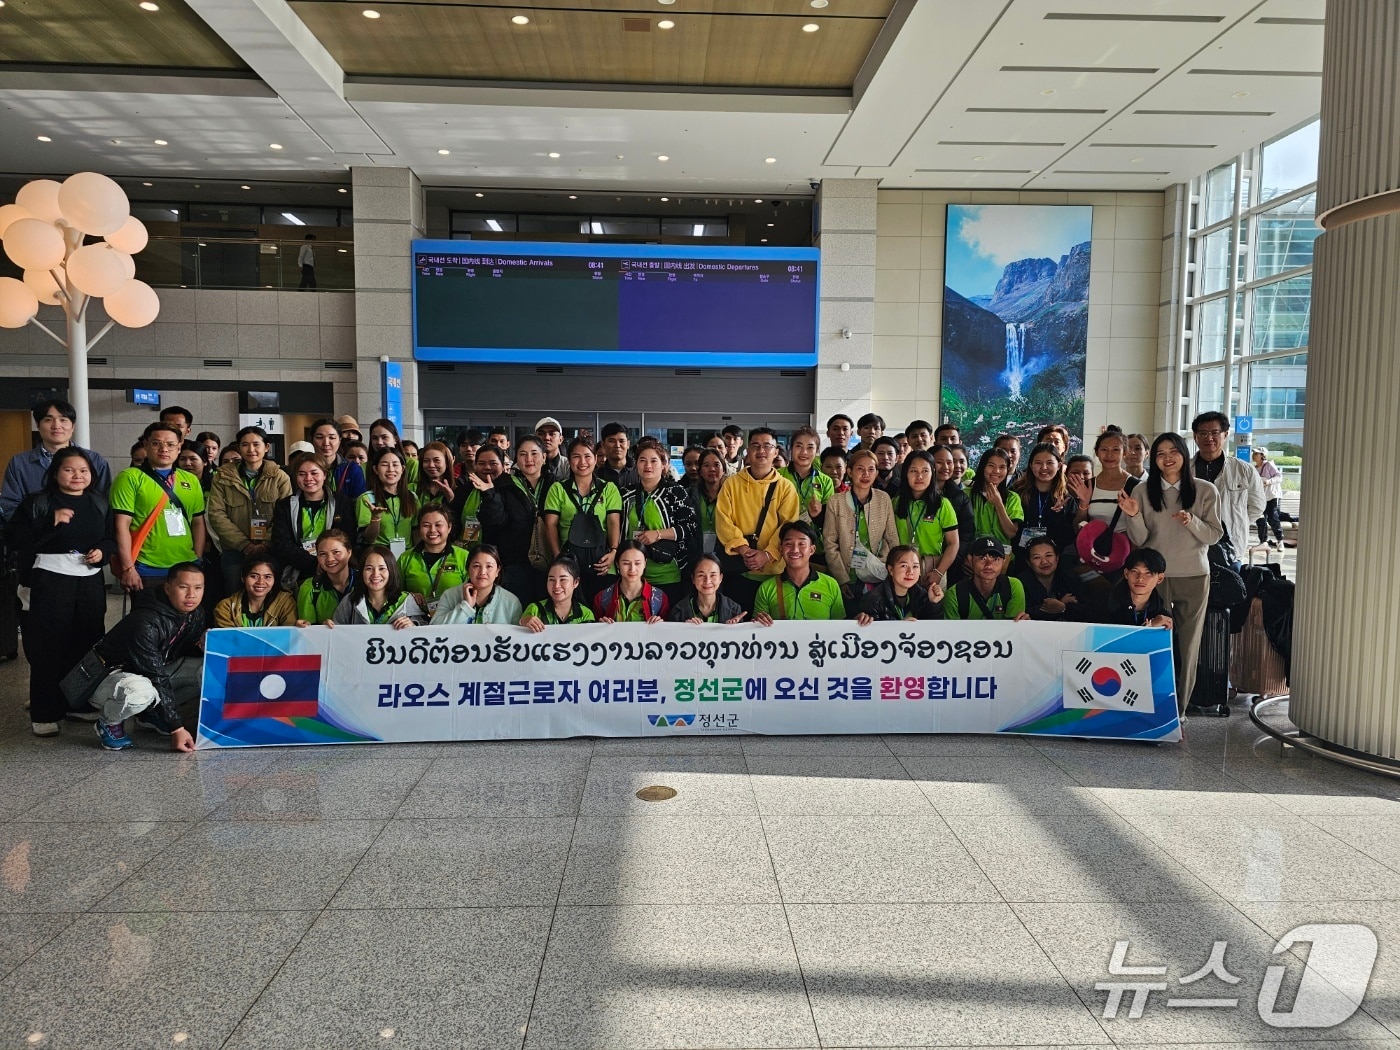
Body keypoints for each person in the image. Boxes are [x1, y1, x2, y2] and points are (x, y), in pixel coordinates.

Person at [5, 447, 114, 736]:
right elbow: (14, 538)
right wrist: (48, 521)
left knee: (87, 640)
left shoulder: (98, 501)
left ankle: (77, 702)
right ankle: (45, 711)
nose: (77, 476)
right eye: (69, 469)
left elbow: (110, 537)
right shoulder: (38, 502)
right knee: (48, 645)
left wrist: (102, 552)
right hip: (50, 578)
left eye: (83, 470)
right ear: (55, 473)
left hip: (89, 579)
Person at [1119, 432, 1223, 714]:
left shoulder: (1204, 490)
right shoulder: (1142, 490)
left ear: (1183, 454)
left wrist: (1192, 522)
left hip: (1193, 576)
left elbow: (1214, 535)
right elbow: (1140, 540)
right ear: (1154, 459)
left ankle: (1178, 710)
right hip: (1155, 579)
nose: (1167, 458)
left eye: (1173, 451)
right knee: (1154, 638)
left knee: (1188, 645)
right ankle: (1149, 704)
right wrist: (1132, 514)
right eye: (1161, 453)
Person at [89, 562, 206, 752]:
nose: (191, 595)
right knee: (141, 694)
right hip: (108, 677)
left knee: (207, 671)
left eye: (198, 588)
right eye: (183, 587)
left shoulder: (194, 613)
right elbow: (155, 675)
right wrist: (177, 727)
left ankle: (149, 714)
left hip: (148, 672)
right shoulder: (144, 621)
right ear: (168, 588)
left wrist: (201, 644)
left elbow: (177, 653)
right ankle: (109, 722)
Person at [111, 422, 207, 598]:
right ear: (146, 445)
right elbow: (121, 525)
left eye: (170, 444)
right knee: (148, 620)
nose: (164, 449)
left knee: (186, 622)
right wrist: (128, 568)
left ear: (179, 448)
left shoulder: (190, 480)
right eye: (156, 443)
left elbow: (198, 523)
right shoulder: (130, 477)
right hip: (146, 567)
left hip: (185, 565)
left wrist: (197, 560)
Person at [714, 427, 800, 610]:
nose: (761, 451)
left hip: (775, 572)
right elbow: (723, 521)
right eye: (755, 445)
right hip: (739, 570)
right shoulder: (731, 484)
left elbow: (788, 526)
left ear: (776, 452)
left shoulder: (786, 487)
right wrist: (745, 551)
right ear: (748, 451)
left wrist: (767, 555)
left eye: (767, 446)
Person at [207, 425, 291, 596]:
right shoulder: (222, 476)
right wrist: (244, 544)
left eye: (256, 444)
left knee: (270, 596)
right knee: (234, 595)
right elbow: (216, 514)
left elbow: (286, 514)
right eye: (245, 445)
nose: (251, 449)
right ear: (239, 447)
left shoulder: (280, 477)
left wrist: (265, 543)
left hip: (270, 550)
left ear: (266, 447)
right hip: (234, 551)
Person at [542, 437, 621, 600]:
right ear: (569, 460)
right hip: (569, 561)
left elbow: (613, 522)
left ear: (596, 459)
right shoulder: (558, 489)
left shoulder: (609, 489)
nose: (582, 462)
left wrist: (614, 551)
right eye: (576, 456)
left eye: (587, 456)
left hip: (602, 561)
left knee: (604, 612)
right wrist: (559, 558)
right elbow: (550, 525)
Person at [479, 434, 553, 604]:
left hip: (549, 560)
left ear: (544, 456)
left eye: (534, 453)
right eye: (522, 454)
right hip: (515, 561)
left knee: (545, 613)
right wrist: (490, 495)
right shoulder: (503, 484)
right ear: (515, 458)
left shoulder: (555, 484)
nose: (529, 459)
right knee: (517, 612)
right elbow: (495, 523)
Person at [822, 448, 900, 606]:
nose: (866, 474)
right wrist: (842, 579)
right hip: (847, 573)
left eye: (871, 469)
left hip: (878, 572)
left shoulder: (883, 499)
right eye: (860, 469)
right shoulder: (835, 501)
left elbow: (892, 537)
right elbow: (830, 543)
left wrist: (892, 571)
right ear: (849, 472)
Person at [622, 439, 697, 600]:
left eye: (654, 460)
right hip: (633, 574)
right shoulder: (626, 494)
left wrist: (658, 534)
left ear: (664, 465)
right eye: (642, 460)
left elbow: (690, 527)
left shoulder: (675, 492)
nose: (648, 465)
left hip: (668, 573)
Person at [1191, 411, 1264, 560]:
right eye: (1203, 433)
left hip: (1231, 547)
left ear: (1225, 434)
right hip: (1192, 547)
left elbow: (1257, 506)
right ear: (1195, 436)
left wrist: (1236, 523)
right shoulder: (1184, 470)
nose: (1209, 438)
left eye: (1215, 432)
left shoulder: (1244, 470)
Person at [892, 449, 961, 594]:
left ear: (932, 473)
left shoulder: (942, 504)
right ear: (905, 473)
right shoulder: (895, 503)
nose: (919, 476)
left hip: (933, 571)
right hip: (902, 571)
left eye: (925, 471)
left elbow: (953, 543)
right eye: (913, 471)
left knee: (932, 611)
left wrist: (939, 572)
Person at [272, 455, 343, 591]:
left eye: (314, 473)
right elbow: (281, 543)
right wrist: (314, 564)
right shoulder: (285, 506)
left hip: (334, 566)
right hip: (297, 568)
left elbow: (346, 537)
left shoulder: (340, 502)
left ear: (324, 475)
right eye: (302, 474)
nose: (308, 479)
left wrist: (326, 561)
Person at [753, 521, 845, 623]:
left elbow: (840, 627)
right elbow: (758, 630)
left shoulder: (830, 584)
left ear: (812, 550)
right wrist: (757, 621)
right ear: (780, 549)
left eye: (802, 544)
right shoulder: (766, 588)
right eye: (788, 544)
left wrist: (861, 623)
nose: (795, 550)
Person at [398, 505, 470, 615]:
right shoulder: (406, 558)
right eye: (426, 525)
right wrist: (408, 595)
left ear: (449, 527)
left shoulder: (464, 557)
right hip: (415, 622)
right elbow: (393, 591)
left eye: (438, 525)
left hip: (454, 619)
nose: (432, 530)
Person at [330, 546, 426, 628]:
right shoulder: (349, 602)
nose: (375, 574)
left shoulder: (407, 600)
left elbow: (425, 631)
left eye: (382, 568)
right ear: (361, 572)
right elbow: (337, 634)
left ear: (391, 571)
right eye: (369, 569)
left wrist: (413, 626)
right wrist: (328, 628)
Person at [1011, 442, 1077, 559]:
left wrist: (1059, 515)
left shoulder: (1066, 497)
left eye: (1050, 463)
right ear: (1030, 466)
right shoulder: (1016, 492)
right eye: (1038, 463)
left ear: (1059, 466)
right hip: (1020, 557)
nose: (1044, 468)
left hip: (1053, 561)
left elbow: (1069, 538)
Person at [429, 543, 522, 625]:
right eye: (476, 566)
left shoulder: (511, 602)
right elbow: (435, 628)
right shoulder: (449, 595)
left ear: (497, 571)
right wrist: (466, 606)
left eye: (489, 566)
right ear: (468, 569)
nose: (482, 572)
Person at [944, 537, 1029, 621]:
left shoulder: (1012, 587)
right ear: (970, 559)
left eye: (995, 559)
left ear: (1003, 562)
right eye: (982, 558)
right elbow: (952, 633)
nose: (989, 565)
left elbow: (1013, 629)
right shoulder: (955, 594)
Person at [1069, 430, 1134, 535]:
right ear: (1097, 452)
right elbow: (1078, 529)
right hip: (1094, 549)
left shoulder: (1135, 486)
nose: (1109, 455)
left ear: (1125, 453)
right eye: (1104, 449)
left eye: (1115, 450)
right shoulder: (1089, 485)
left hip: (1126, 548)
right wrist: (1083, 504)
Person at [856, 545, 942, 624]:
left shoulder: (922, 595)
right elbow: (871, 636)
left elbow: (933, 632)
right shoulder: (873, 600)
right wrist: (897, 628)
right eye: (904, 566)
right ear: (891, 570)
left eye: (915, 566)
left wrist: (933, 603)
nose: (910, 572)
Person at [357, 447, 418, 555]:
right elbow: (369, 538)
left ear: (402, 469)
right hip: (379, 555)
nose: (390, 469)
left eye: (395, 464)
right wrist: (375, 518)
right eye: (384, 465)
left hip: (407, 555)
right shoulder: (367, 499)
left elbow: (416, 531)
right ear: (375, 469)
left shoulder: (412, 498)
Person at [593, 540, 669, 623]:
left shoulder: (660, 598)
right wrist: (600, 625)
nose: (632, 569)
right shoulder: (602, 599)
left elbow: (666, 632)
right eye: (626, 563)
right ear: (617, 564)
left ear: (645, 563)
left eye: (637, 563)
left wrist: (660, 625)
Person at [1098, 547, 1174, 629]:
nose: (1140, 578)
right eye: (1135, 571)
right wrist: (1150, 628)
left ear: (1160, 578)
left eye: (1148, 573)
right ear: (1126, 574)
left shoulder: (1163, 618)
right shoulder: (1102, 605)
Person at [214, 556, 297, 628]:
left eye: (267, 577)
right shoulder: (225, 608)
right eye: (254, 576)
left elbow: (289, 637)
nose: (261, 582)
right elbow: (228, 640)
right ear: (243, 577)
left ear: (275, 580)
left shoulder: (285, 603)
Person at [967, 447, 1023, 553]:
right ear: (983, 467)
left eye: (1002, 467)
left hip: (1001, 557)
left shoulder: (1012, 497)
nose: (996, 471)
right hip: (971, 555)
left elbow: (1011, 533)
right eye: (991, 466)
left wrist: (999, 504)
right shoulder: (966, 494)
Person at [295, 529, 356, 625]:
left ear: (349, 552)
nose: (330, 559)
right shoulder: (311, 587)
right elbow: (308, 632)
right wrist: (321, 629)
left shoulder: (365, 582)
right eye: (323, 554)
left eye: (336, 552)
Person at [1015, 536, 1082, 621]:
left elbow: (1086, 611)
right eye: (1037, 557)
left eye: (1049, 555)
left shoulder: (1070, 578)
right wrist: (1060, 604)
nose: (1044, 562)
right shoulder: (1019, 583)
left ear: (1057, 558)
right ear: (1029, 562)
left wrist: (1063, 607)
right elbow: (1025, 613)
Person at [779, 425, 834, 529]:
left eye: (810, 447)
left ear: (817, 451)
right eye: (799, 446)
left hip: (815, 541)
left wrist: (817, 515)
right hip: (782, 539)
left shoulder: (825, 481)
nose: (804, 452)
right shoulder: (778, 476)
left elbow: (830, 523)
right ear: (791, 448)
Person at [520, 555, 596, 629]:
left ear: (576, 582)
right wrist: (523, 622)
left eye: (563, 579)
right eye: (551, 580)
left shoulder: (585, 613)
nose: (556, 586)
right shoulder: (535, 609)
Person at [668, 553, 747, 624]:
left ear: (721, 578)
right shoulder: (679, 611)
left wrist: (732, 630)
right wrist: (683, 628)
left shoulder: (733, 609)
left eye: (713, 575)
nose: (707, 581)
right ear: (693, 579)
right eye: (701, 575)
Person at [310, 418, 368, 505]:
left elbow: (360, 502)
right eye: (319, 437)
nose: (326, 443)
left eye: (332, 437)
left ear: (340, 440)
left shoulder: (352, 469)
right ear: (312, 440)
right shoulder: (304, 469)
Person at [456, 443, 504, 548]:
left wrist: (489, 492)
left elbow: (497, 522)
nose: (487, 467)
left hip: (500, 554)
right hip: (468, 552)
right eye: (481, 463)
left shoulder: (510, 490)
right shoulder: (465, 490)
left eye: (493, 463)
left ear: (503, 465)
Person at [689, 448, 727, 560]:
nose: (712, 469)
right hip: (695, 555)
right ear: (700, 471)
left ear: (724, 469)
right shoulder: (689, 495)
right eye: (706, 465)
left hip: (725, 556)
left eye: (716, 465)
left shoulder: (732, 496)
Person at [367, 418, 420, 486]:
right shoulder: (364, 467)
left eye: (384, 437)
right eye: (375, 438)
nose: (379, 442)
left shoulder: (412, 464)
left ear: (396, 439)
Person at [1252, 447, 1284, 547]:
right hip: (1260, 497)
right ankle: (1263, 541)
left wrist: (1269, 481)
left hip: (1272, 496)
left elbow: (1279, 477)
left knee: (1272, 519)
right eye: (1253, 453)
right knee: (1260, 519)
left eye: (1256, 453)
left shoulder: (1269, 465)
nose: (1253, 455)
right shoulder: (1254, 468)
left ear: (1262, 455)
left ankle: (1280, 540)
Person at [414, 441, 456, 509]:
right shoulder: (412, 489)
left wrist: (450, 499)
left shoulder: (459, 487)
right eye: (426, 461)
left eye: (436, 460)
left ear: (447, 463)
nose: (431, 465)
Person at [596, 422, 639, 489]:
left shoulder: (639, 472)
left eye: (621, 441)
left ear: (628, 444)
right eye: (612, 441)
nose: (617, 445)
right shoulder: (596, 476)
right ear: (603, 444)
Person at [535, 416, 570, 481]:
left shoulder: (568, 465)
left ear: (561, 439)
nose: (546, 438)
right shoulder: (527, 464)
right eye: (541, 434)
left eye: (552, 434)